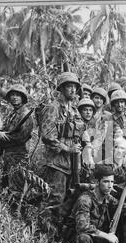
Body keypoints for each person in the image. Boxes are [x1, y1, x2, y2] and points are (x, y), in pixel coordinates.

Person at [61, 165, 126, 243]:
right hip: (76, 239)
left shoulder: (106, 197)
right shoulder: (85, 199)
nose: (110, 186)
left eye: (112, 182)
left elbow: (123, 206)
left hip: (97, 236)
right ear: (97, 182)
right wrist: (106, 236)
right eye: (106, 182)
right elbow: (82, 227)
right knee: (84, 238)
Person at [40, 72, 93, 205]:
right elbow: (48, 136)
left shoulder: (74, 110)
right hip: (57, 163)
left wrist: (88, 149)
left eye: (75, 87)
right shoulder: (53, 108)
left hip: (73, 164)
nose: (73, 90)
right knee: (55, 199)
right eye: (69, 86)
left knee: (70, 199)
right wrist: (69, 149)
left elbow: (83, 131)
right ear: (62, 88)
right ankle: (46, 224)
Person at [0, 84, 34, 193]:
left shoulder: (26, 115)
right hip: (8, 156)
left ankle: (19, 209)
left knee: (17, 188)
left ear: (23, 98)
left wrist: (3, 137)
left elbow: (21, 137)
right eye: (12, 95)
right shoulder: (11, 114)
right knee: (5, 186)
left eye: (18, 95)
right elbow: (2, 128)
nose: (14, 97)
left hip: (19, 156)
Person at [90, 87, 112, 161]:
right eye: (96, 98)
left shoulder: (108, 116)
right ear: (92, 98)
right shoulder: (88, 113)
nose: (99, 101)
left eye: (101, 99)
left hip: (103, 150)